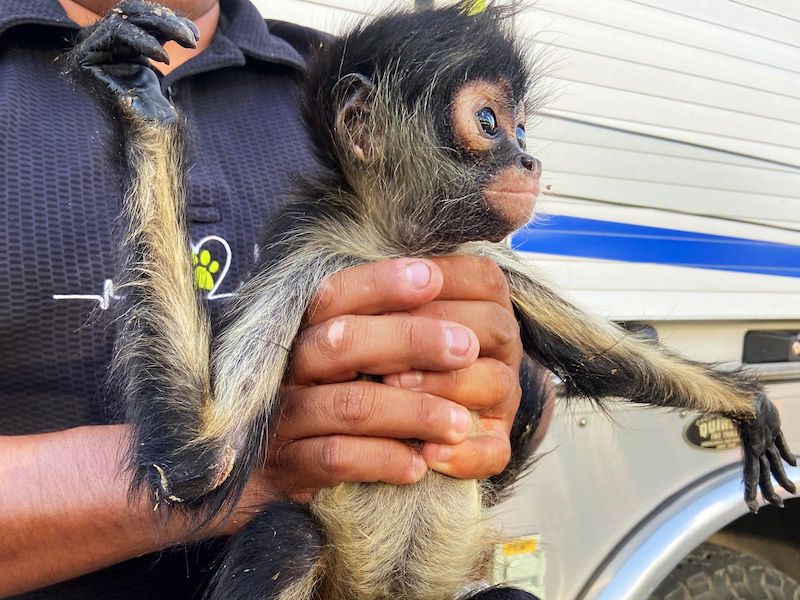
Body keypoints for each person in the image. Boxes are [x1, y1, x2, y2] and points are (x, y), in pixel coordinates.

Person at [0, 0, 553, 598]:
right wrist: (271, 457)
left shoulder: (348, 70)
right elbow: (200, 457)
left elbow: (520, 382)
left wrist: (492, 385)